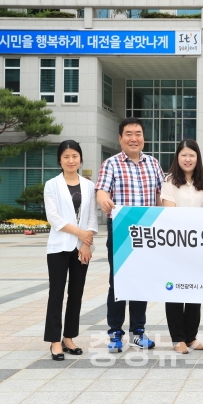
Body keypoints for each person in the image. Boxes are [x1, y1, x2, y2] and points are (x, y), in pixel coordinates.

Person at [96, 117, 164, 352]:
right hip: (120, 232)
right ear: (120, 138)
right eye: (129, 134)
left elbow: (161, 196)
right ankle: (115, 333)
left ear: (143, 138)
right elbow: (101, 191)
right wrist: (104, 200)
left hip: (146, 233)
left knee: (141, 282)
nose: (134, 138)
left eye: (138, 134)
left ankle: (138, 332)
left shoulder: (153, 163)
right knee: (118, 282)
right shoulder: (111, 164)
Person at [44, 140, 98, 360]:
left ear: (80, 159)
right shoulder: (52, 185)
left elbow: (93, 217)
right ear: (60, 160)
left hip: (81, 249)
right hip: (59, 247)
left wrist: (86, 243)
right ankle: (54, 341)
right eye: (66, 156)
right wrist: (80, 234)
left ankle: (69, 338)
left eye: (74, 156)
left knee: (76, 293)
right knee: (56, 293)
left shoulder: (89, 186)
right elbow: (53, 218)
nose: (71, 160)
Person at [161, 139, 203, 354]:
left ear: (197, 158)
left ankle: (191, 336)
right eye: (184, 155)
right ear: (177, 157)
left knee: (195, 292)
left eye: (191, 155)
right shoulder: (170, 181)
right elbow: (169, 212)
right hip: (176, 246)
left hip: (199, 247)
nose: (187, 159)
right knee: (174, 291)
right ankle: (177, 338)